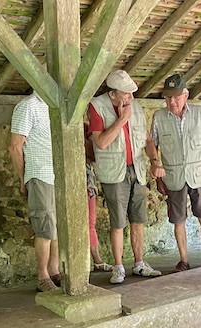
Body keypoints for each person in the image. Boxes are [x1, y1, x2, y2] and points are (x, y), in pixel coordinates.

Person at [87, 70, 161, 284]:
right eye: (126, 94)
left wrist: (155, 160)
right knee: (118, 221)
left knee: (138, 219)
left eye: (131, 93)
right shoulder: (97, 106)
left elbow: (146, 139)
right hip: (114, 172)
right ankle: (118, 267)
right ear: (112, 94)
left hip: (136, 169)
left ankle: (139, 263)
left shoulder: (134, 106)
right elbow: (100, 142)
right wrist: (122, 119)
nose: (130, 97)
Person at [146, 74, 201, 271]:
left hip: (198, 175)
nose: (172, 101)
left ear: (186, 95)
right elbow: (153, 143)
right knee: (178, 220)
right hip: (174, 176)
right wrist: (156, 167)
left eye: (176, 97)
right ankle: (184, 260)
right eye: (168, 98)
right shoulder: (159, 117)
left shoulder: (199, 112)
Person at [9, 90, 61, 292]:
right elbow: (15, 147)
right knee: (45, 227)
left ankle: (55, 270)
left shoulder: (53, 105)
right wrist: (22, 178)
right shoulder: (28, 106)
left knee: (56, 226)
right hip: (40, 174)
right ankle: (42, 275)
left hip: (57, 175)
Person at [84, 129, 112, 272]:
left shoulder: (85, 129)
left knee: (90, 223)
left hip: (88, 183)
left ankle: (97, 260)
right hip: (73, 183)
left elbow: (94, 155)